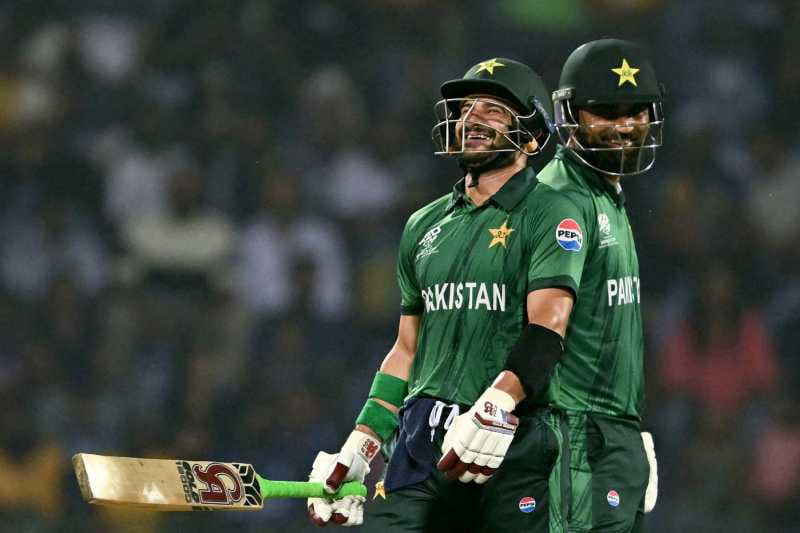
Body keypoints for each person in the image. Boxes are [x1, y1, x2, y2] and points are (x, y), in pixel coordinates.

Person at [306, 57, 572, 531]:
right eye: (465, 109)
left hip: (506, 444)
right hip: (418, 446)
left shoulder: (552, 213)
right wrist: (362, 442)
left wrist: (496, 404)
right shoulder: (423, 225)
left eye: (493, 110)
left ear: (531, 134)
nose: (472, 118)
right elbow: (407, 349)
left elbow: (547, 330)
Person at [530, 38, 666, 531]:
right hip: (576, 441)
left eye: (635, 111)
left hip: (609, 435)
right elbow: (535, 328)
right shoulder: (562, 199)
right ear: (570, 116)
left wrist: (627, 431)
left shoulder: (606, 193)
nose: (624, 126)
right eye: (605, 112)